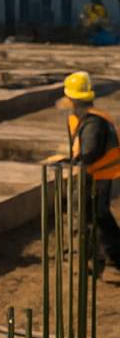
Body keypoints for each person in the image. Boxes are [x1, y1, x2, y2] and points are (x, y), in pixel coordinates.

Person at [51, 71, 120, 270]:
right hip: (91, 172)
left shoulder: (94, 121)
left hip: (100, 173)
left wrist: (72, 161)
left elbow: (89, 151)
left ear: (73, 99)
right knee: (92, 215)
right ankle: (95, 254)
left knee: (98, 216)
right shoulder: (79, 118)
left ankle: (112, 256)